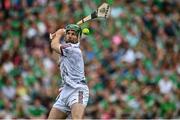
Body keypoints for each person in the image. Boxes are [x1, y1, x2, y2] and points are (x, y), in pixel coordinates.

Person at [48, 24, 89, 119]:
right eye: (68, 33)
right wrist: (55, 38)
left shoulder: (73, 49)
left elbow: (54, 46)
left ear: (78, 38)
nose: (70, 35)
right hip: (65, 91)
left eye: (73, 34)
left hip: (78, 89)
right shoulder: (65, 49)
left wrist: (58, 34)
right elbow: (56, 58)